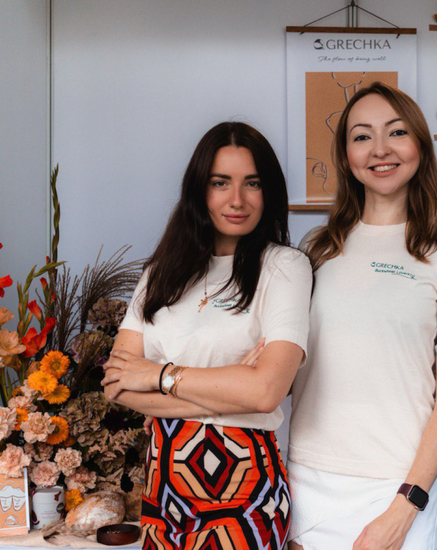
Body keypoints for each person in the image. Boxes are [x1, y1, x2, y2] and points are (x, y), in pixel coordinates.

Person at [101, 122, 311, 549]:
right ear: (200, 190)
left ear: (268, 192)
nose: (237, 200)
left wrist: (159, 375)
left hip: (245, 485)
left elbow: (266, 392)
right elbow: (115, 384)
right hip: (163, 486)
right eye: (221, 183)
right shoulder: (160, 273)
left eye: (252, 183)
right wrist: (230, 385)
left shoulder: (285, 267)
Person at [287, 82, 437, 550]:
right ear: (346, 154)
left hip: (398, 482)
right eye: (361, 136)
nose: (380, 150)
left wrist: (406, 504)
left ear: (419, 146)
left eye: (395, 132)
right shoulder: (315, 248)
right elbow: (285, 367)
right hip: (307, 476)